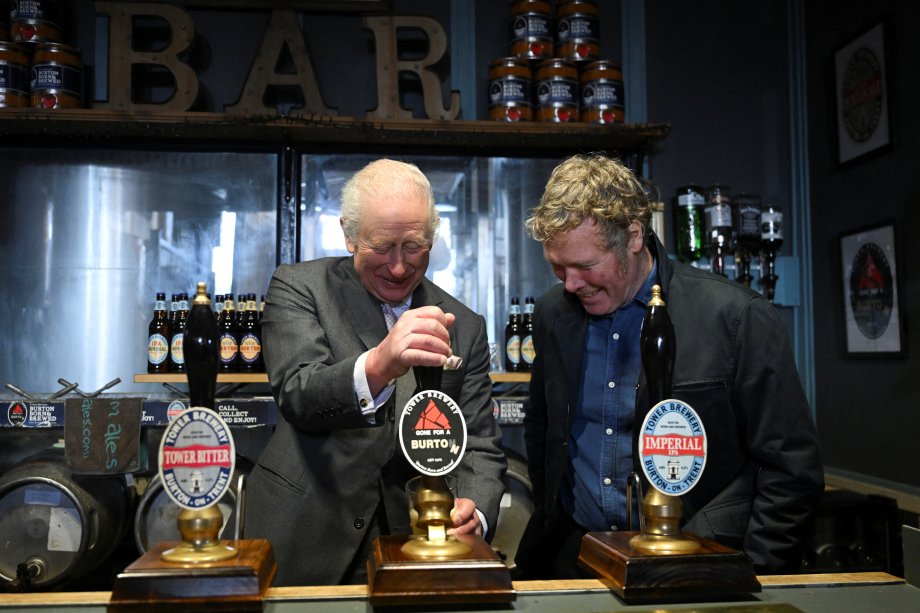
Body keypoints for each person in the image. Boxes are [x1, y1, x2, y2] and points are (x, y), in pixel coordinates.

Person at [514, 153, 823, 578]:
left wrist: (756, 573)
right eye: (557, 267)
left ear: (634, 236)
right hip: (575, 555)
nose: (570, 284)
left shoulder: (736, 317)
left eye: (585, 266)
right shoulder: (553, 313)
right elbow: (543, 428)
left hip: (696, 564)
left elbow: (791, 470)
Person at [244, 158, 507, 586]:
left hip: (412, 541)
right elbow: (298, 393)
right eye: (382, 246)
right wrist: (382, 363)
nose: (399, 266)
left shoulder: (465, 323)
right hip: (306, 529)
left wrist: (474, 510)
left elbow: (478, 440)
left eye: (415, 246)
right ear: (350, 235)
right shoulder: (300, 287)